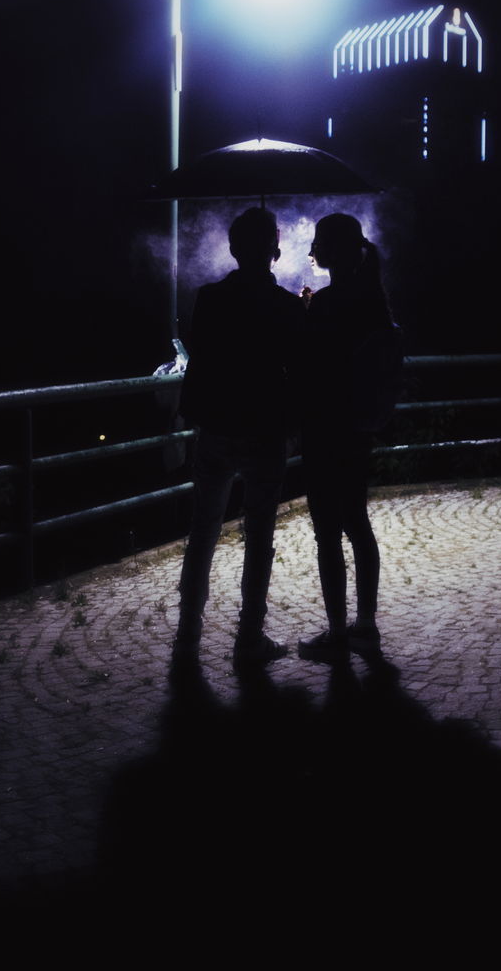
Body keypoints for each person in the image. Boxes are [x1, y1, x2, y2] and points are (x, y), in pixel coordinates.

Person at [173, 206, 305, 666]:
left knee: (203, 531)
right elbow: (297, 365)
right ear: (275, 249)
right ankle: (249, 637)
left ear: (233, 249)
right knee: (260, 533)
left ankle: (187, 635)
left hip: (216, 426)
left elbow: (203, 356)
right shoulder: (287, 306)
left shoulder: (209, 298)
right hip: (265, 429)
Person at [298, 213, 402, 662]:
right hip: (358, 428)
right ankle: (366, 624)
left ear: (330, 251)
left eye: (317, 244)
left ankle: (337, 630)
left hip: (324, 428)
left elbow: (311, 365)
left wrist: (308, 313)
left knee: (326, 533)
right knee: (357, 522)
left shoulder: (327, 305)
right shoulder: (373, 300)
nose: (310, 252)